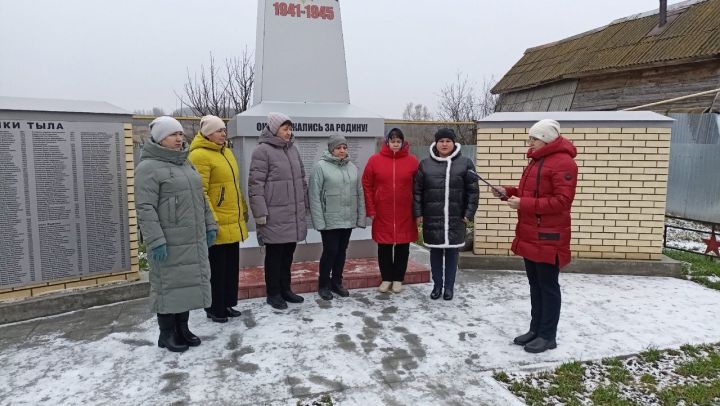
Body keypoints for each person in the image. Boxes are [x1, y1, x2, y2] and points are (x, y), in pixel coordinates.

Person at [493, 119, 578, 354]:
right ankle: (535, 330)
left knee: (548, 287)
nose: (530, 142)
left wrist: (524, 203)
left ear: (547, 139)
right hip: (531, 233)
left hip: (550, 236)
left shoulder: (564, 163)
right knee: (535, 285)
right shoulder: (536, 161)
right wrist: (508, 192)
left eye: (534, 138)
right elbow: (529, 193)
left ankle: (548, 336)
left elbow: (562, 201)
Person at [135, 116, 217, 352]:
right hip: (168, 240)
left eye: (181, 134)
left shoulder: (185, 163)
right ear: (160, 139)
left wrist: (210, 225)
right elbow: (145, 207)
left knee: (188, 285)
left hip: (192, 238)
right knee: (168, 286)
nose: (179, 138)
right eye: (173, 134)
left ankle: (183, 328)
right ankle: (167, 333)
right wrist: (156, 240)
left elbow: (201, 197)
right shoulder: (148, 168)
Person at [188, 115, 249, 323]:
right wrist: (211, 220)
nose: (223, 134)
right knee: (216, 268)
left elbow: (233, 185)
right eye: (218, 131)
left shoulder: (227, 153)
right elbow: (200, 192)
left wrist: (242, 207)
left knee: (230, 267)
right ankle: (214, 307)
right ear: (207, 134)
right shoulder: (199, 156)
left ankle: (227, 303)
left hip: (232, 219)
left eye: (224, 130)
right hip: (216, 222)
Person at [248, 112, 308, 310]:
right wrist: (260, 213)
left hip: (292, 214)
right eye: (285, 128)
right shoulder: (262, 151)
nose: (288, 132)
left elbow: (300, 180)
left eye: (290, 129)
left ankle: (286, 289)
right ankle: (273, 293)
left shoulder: (293, 150)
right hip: (273, 215)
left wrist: (304, 205)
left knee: (288, 255)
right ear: (274, 129)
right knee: (274, 256)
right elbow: (255, 185)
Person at [413, 128, 478, 301]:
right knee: (435, 252)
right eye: (441, 141)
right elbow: (417, 192)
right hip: (432, 216)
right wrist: (418, 213)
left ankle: (449, 287)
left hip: (456, 217)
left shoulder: (465, 163)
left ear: (453, 143)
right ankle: (437, 286)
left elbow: (473, 192)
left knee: (452, 253)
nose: (444, 144)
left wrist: (468, 214)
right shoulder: (425, 164)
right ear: (436, 143)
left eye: (447, 141)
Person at [308, 134, 366, 300]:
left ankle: (337, 282)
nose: (342, 150)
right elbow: (314, 195)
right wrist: (319, 222)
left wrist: (360, 217)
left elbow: (359, 193)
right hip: (329, 219)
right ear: (331, 149)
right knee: (330, 251)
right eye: (338, 147)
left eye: (344, 147)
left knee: (341, 251)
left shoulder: (352, 167)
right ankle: (324, 284)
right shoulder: (320, 167)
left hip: (347, 219)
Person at [362, 128, 418, 293]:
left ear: (402, 143)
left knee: (402, 246)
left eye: (398, 141)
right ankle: (386, 278)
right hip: (382, 211)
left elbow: (419, 187)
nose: (395, 144)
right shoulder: (374, 160)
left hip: (405, 212)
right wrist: (371, 209)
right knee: (384, 247)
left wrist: (417, 211)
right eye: (392, 141)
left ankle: (398, 278)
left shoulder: (412, 161)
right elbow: (367, 185)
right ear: (387, 142)